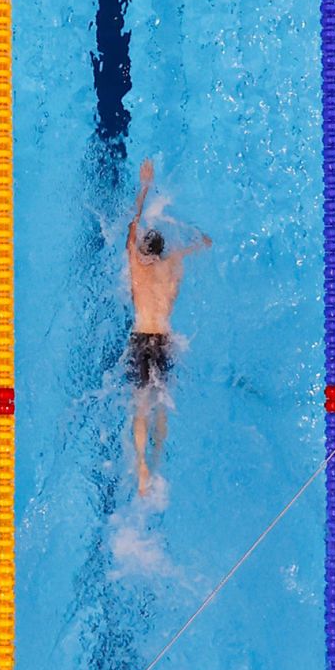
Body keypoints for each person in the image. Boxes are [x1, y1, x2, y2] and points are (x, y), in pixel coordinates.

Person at [124, 158, 211, 496]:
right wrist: (200, 244)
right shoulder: (173, 266)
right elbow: (195, 248)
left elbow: (132, 226)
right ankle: (156, 462)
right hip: (165, 338)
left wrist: (145, 186)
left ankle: (141, 466)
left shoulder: (138, 267)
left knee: (140, 404)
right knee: (162, 402)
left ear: (144, 250)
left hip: (141, 337)